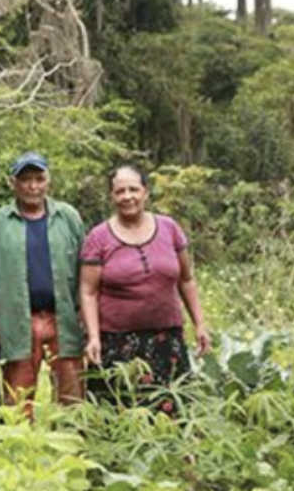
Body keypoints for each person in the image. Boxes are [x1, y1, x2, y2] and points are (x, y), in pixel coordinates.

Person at [79, 165, 210, 406]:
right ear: (111, 196)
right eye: (120, 191)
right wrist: (93, 337)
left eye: (133, 189)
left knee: (170, 413)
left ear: (145, 193)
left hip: (167, 339)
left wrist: (200, 324)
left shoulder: (169, 229)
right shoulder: (98, 238)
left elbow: (186, 279)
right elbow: (88, 292)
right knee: (119, 414)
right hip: (116, 344)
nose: (127, 196)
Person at [0, 152, 85, 414]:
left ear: (48, 181)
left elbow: (86, 269)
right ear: (13, 183)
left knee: (72, 394)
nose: (33, 186)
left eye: (39, 178)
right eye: (25, 179)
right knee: (16, 399)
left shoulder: (68, 217)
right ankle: (18, 450)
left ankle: (72, 444)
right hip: (16, 321)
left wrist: (87, 315)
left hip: (64, 320)